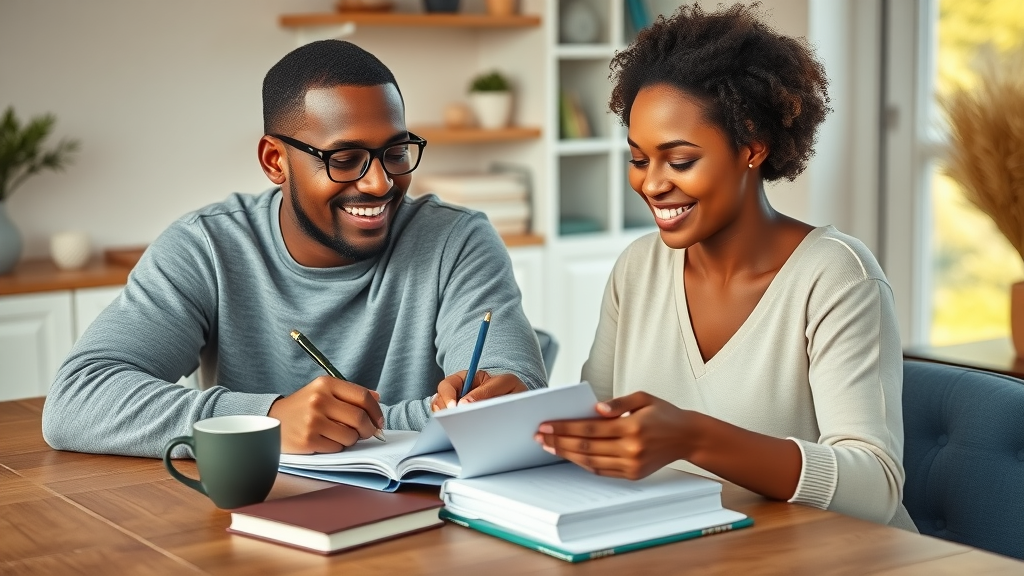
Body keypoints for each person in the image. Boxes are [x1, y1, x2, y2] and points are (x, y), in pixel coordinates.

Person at [42, 40, 546, 458]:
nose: (379, 183)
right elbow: (76, 401)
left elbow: (508, 397)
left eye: (394, 153)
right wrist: (267, 420)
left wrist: (500, 394)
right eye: (345, 159)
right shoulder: (207, 247)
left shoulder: (457, 240)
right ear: (274, 161)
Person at [534, 4, 916, 531]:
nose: (651, 184)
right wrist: (524, 418)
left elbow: (875, 486)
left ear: (752, 147)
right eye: (639, 158)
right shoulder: (637, 268)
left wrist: (694, 437)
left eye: (681, 160)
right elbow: (600, 427)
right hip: (693, 551)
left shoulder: (836, 276)